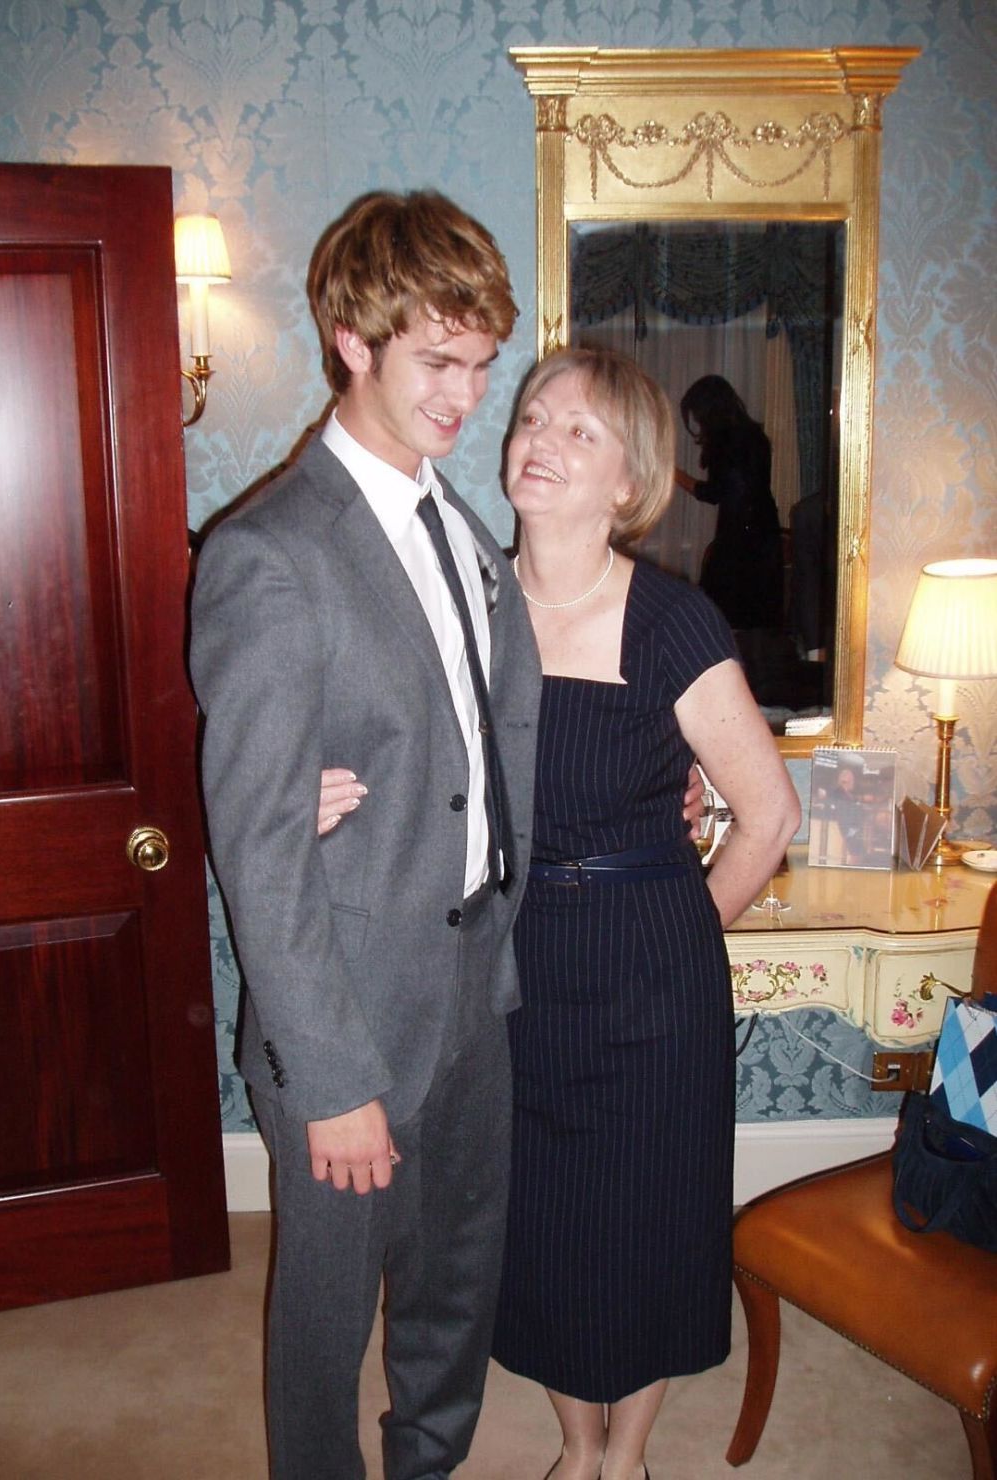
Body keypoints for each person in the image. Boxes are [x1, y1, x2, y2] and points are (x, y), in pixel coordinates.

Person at [188, 190, 544, 1480]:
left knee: (455, 1298)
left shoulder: (468, 538)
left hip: (471, 993)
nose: (468, 393)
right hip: (342, 1015)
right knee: (328, 1326)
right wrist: (332, 1076)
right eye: (438, 362)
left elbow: (487, 749)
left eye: (482, 362)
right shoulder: (270, 555)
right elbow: (261, 848)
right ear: (352, 338)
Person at [490, 347, 799, 1480]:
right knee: (550, 1227)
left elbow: (767, 817)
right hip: (517, 971)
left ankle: (627, 1455)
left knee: (645, 1221)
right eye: (533, 418)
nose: (543, 440)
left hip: (649, 969)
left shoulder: (671, 622)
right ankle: (577, 1444)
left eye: (581, 430)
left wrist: (676, 938)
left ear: (631, 480)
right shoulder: (469, 608)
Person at [675, 374, 785, 635]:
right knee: (756, 622)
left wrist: (675, 475)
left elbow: (716, 493)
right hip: (764, 535)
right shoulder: (754, 437)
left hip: (741, 543)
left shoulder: (729, 443)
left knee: (721, 619)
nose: (699, 424)